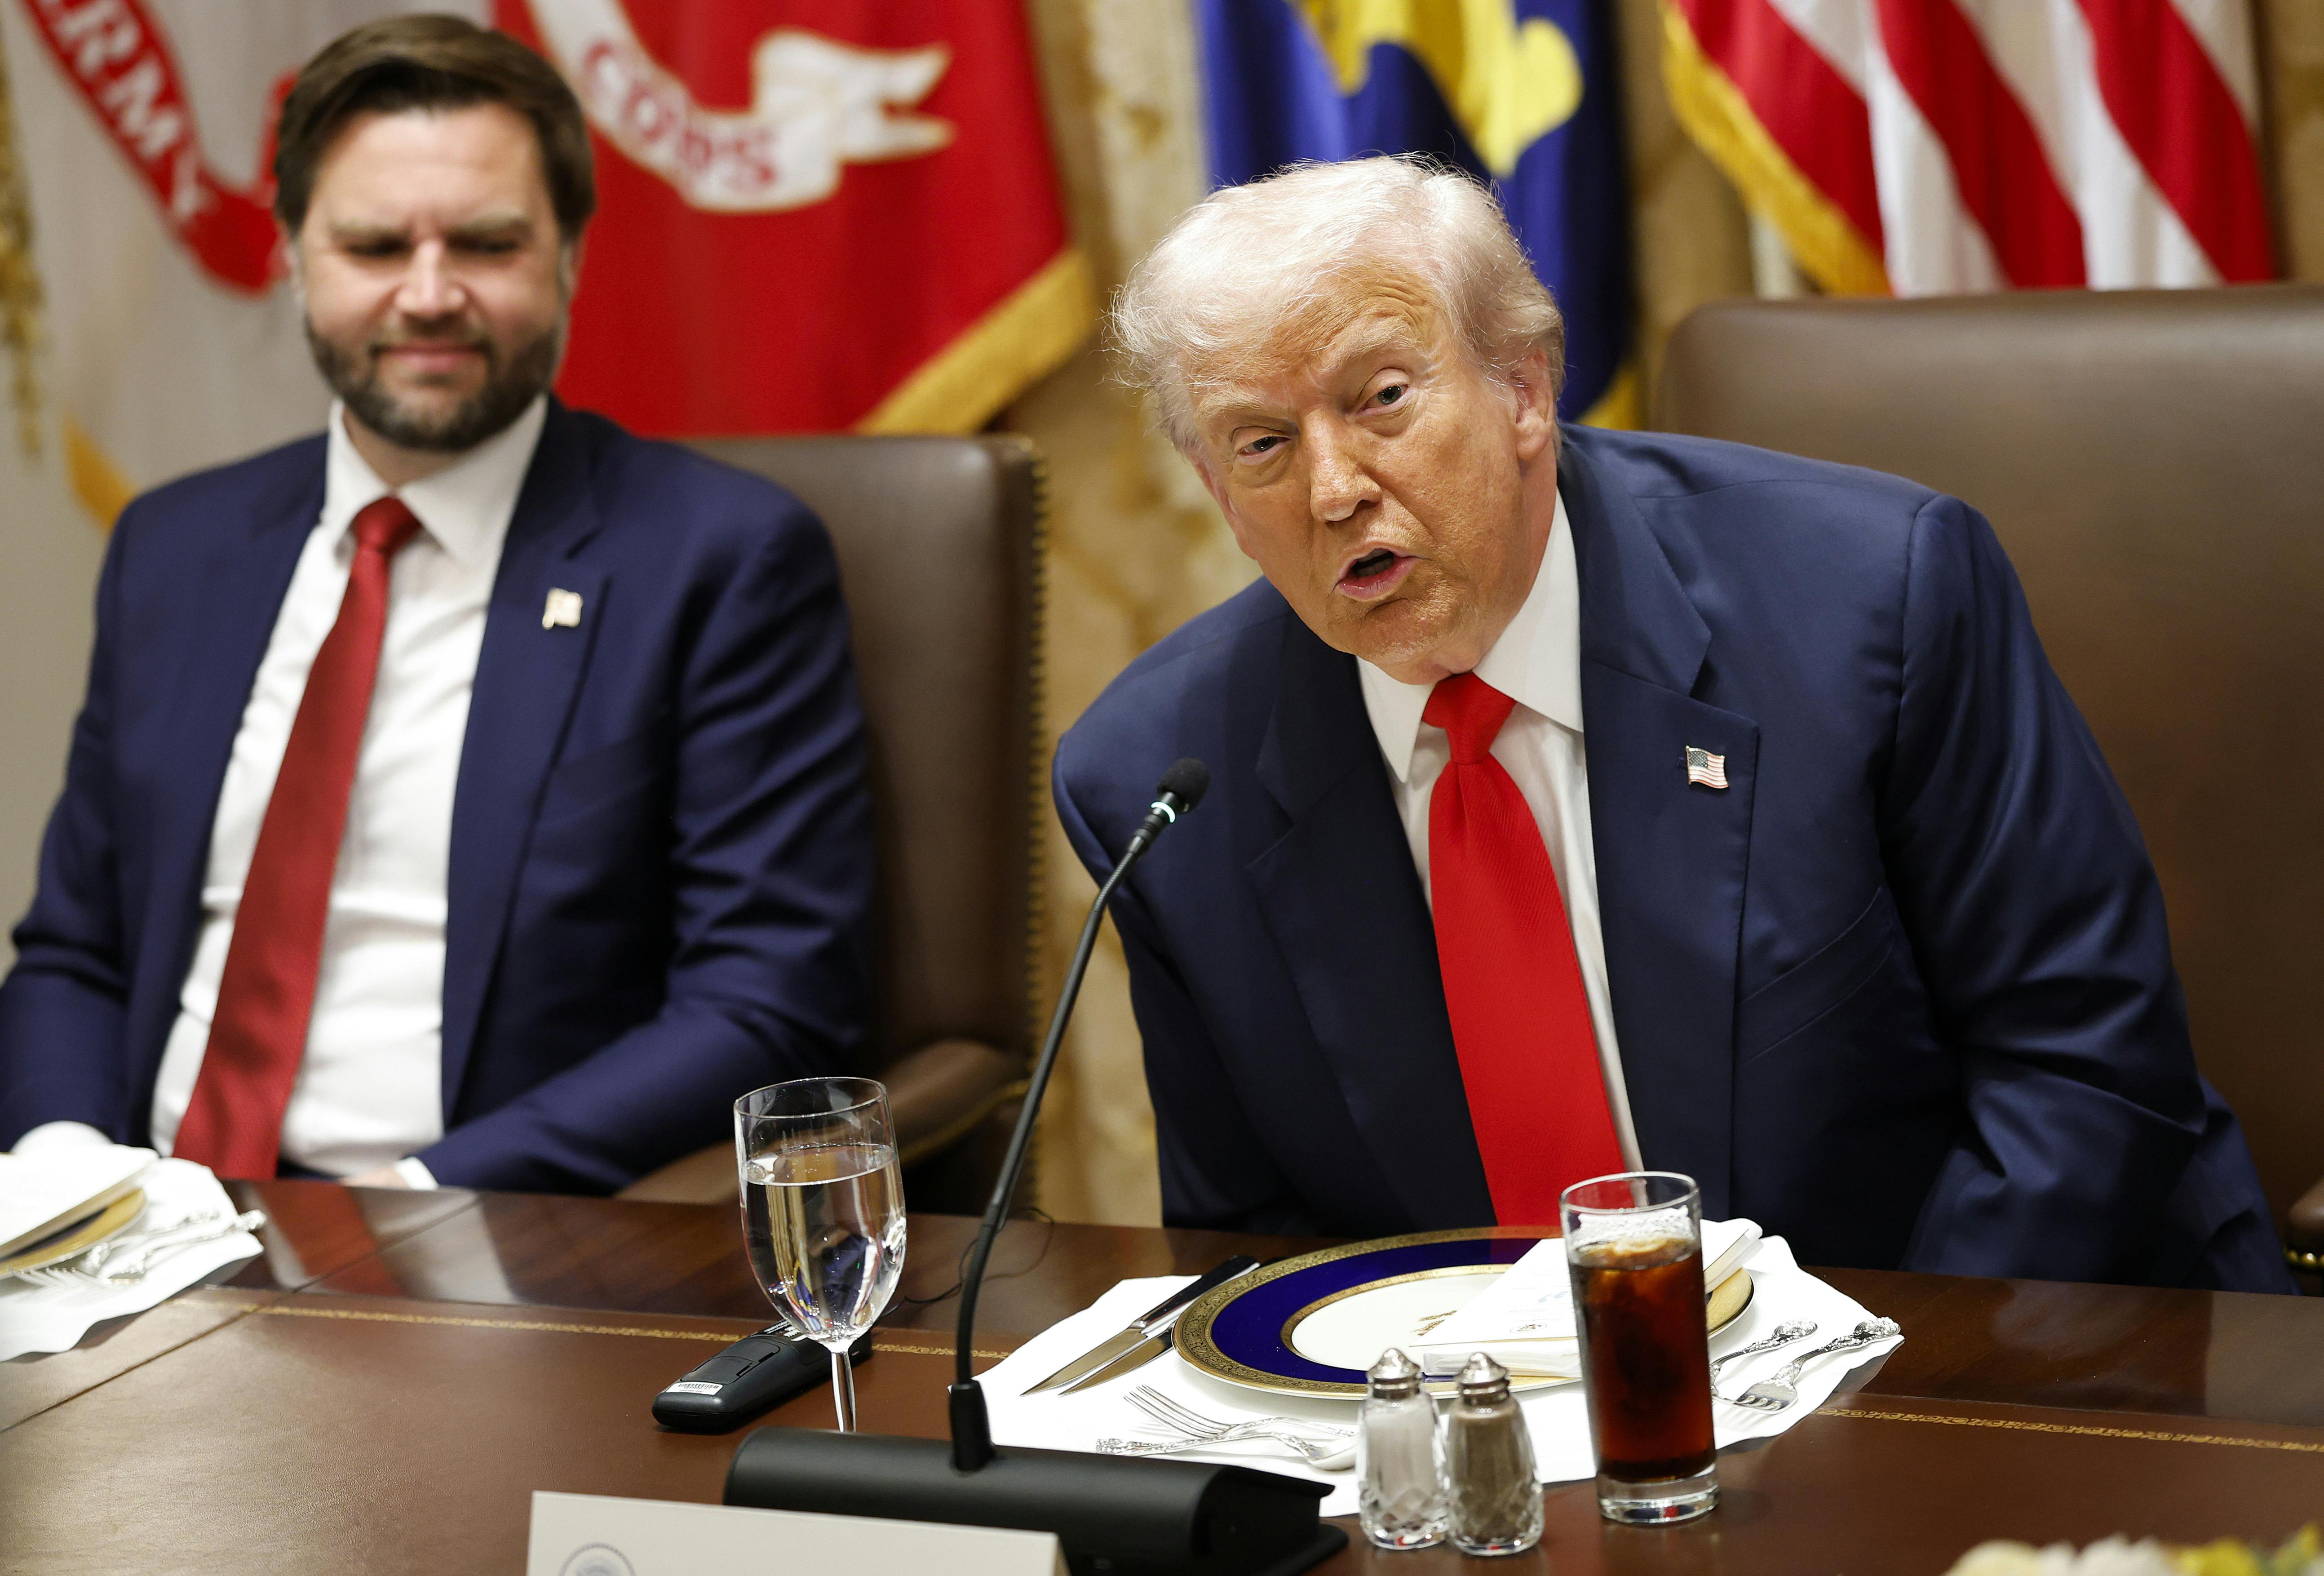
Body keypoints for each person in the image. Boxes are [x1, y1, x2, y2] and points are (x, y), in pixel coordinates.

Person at [1054, 156, 2289, 1291]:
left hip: (2001, 1351)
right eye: (1263, 445)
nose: (1333, 491)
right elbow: (1255, 1245)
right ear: (1218, 493)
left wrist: (1858, 1409)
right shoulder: (1160, 784)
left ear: (1523, 389)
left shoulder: (1876, 601)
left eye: (1380, 398)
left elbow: (2081, 1073)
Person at [0, 17, 873, 1194]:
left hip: (468, 1230)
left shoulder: (719, 560)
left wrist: (415, 1209)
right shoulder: (173, 547)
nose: (429, 294)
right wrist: (65, 1175)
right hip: (145, 1221)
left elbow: (765, 1004)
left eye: (486, 244)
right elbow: (75, 951)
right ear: (294, 256)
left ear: (569, 257)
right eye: (373, 245)